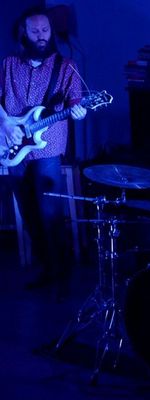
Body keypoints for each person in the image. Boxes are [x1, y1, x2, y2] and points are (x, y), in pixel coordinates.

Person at [0, 7, 86, 299]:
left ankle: (61, 274)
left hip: (48, 146)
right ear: (23, 33)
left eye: (45, 30)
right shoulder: (9, 64)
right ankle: (46, 267)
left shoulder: (66, 66)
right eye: (34, 31)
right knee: (28, 211)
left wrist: (79, 111)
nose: (41, 36)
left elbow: (76, 102)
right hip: (12, 146)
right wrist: (5, 124)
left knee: (50, 213)